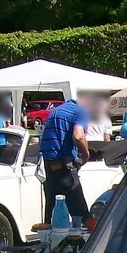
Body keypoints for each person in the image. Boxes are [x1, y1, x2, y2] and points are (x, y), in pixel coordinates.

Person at [39, 95, 91, 224]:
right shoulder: (81, 111)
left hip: (49, 169)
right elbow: (78, 136)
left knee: (52, 216)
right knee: (82, 217)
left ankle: (51, 242)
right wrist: (86, 154)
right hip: (65, 169)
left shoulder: (56, 110)